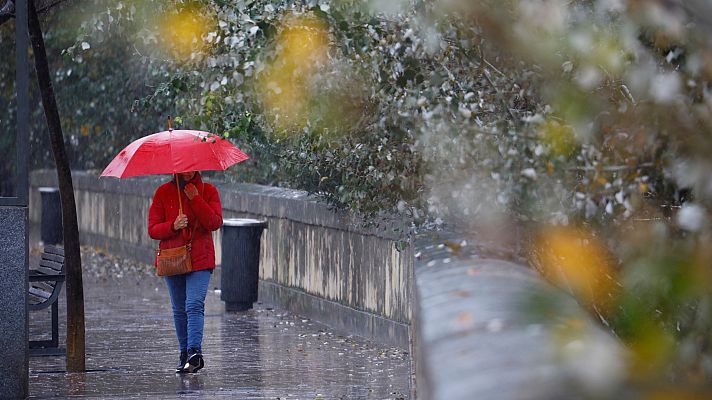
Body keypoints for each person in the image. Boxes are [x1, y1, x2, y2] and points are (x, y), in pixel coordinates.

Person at [148, 171, 223, 373]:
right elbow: (153, 229)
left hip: (200, 258)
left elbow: (214, 223)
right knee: (179, 309)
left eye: (192, 166)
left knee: (194, 304)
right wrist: (173, 225)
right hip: (173, 259)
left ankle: (194, 352)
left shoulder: (208, 191)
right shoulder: (163, 192)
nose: (188, 170)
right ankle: (184, 354)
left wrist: (195, 198)